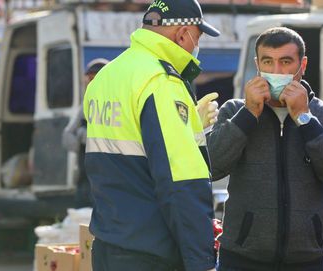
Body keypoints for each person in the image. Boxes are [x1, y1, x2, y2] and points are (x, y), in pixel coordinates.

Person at [82, 0, 221, 270]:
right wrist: (201, 261)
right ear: (182, 34)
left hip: (109, 243)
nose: (197, 45)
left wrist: (189, 123)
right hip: (150, 253)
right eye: (198, 36)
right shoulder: (160, 81)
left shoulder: (106, 76)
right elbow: (181, 182)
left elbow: (128, 151)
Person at [207, 27, 323, 271]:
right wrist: (248, 115)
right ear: (257, 64)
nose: (276, 72)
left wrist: (305, 118)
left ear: (303, 65)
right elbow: (210, 167)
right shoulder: (234, 110)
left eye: (286, 62)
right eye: (268, 62)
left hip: (307, 261)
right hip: (241, 258)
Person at [62, 58, 109, 208]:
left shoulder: (117, 103)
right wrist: (81, 136)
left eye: (95, 79)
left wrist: (88, 136)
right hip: (86, 173)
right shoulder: (86, 105)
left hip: (108, 172)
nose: (91, 83)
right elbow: (67, 135)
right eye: (89, 79)